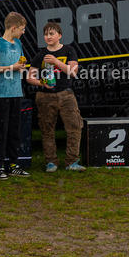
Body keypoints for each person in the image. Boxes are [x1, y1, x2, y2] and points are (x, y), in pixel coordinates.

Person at [28, 21, 85, 172]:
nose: (48, 36)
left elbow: (73, 72)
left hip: (66, 95)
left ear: (59, 35)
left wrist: (55, 61)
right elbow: (29, 77)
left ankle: (72, 162)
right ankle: (51, 162)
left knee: (74, 127)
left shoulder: (69, 50)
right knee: (47, 130)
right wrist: (42, 83)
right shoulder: (40, 54)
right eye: (46, 34)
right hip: (45, 96)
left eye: (51, 33)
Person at [0, 12, 29, 180]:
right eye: (22, 29)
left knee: (15, 130)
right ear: (13, 28)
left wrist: (21, 67)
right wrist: (12, 67)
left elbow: (19, 65)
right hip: (1, 94)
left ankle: (13, 164)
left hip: (16, 92)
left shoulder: (18, 43)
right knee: (2, 130)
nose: (23, 32)